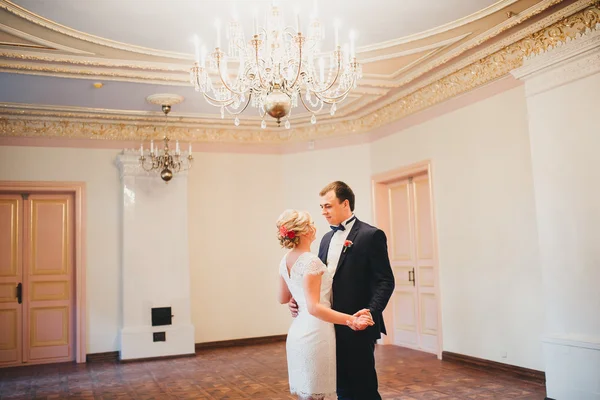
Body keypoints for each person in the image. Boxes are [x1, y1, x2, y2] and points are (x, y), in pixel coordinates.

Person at [288, 181, 395, 400]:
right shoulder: (326, 239)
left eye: (328, 206)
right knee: (341, 387)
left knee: (363, 387)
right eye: (321, 207)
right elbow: (319, 280)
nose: (323, 212)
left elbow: (386, 281)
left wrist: (370, 312)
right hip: (328, 324)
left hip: (357, 323)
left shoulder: (371, 235)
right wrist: (299, 299)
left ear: (345, 203)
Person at [277, 209, 374, 400]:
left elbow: (283, 297)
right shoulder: (311, 261)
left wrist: (297, 300)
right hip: (316, 332)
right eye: (311, 224)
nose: (314, 227)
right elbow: (314, 307)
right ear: (304, 232)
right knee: (319, 394)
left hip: (297, 331)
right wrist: (350, 319)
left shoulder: (285, 260)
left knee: (308, 393)